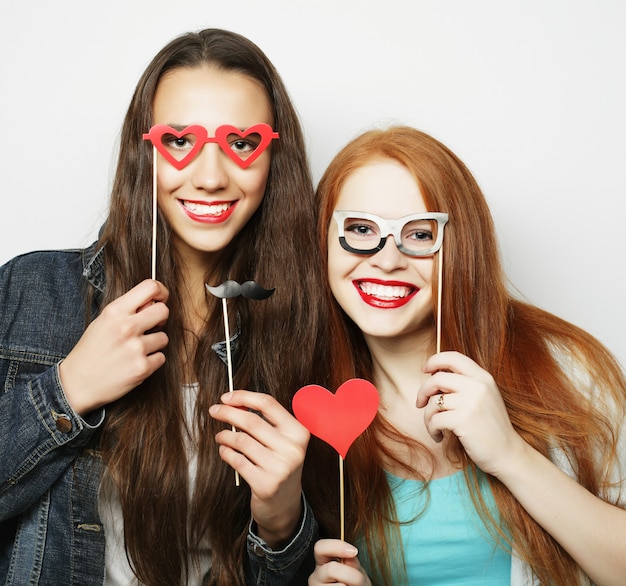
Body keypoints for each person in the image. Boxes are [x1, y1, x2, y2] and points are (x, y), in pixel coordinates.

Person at [0, 28, 327, 585]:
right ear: (144, 149)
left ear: (275, 156)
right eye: (180, 140)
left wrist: (282, 528)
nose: (209, 175)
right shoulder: (33, 290)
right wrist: (67, 391)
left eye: (242, 142)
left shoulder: (308, 322)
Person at [303, 126, 626, 585]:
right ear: (321, 241)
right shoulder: (307, 406)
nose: (388, 259)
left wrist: (510, 453)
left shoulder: (565, 367)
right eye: (360, 229)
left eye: (418, 234)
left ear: (460, 245)